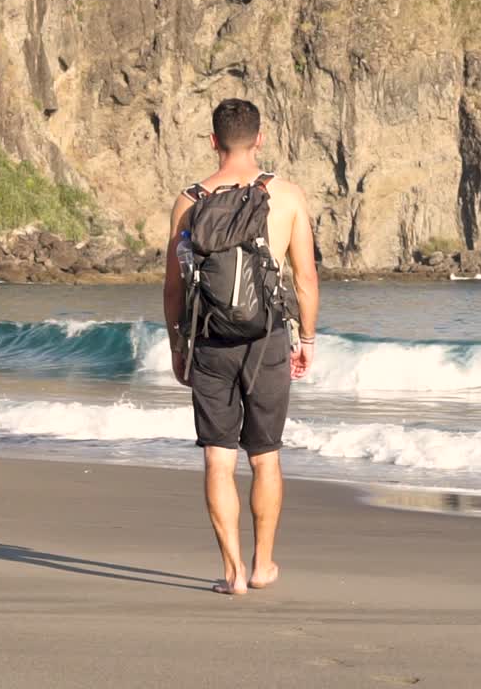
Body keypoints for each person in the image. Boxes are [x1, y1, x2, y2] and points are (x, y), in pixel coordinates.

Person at [162, 98, 320, 596]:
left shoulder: (189, 201)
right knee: (265, 457)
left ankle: (231, 573)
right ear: (261, 138)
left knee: (217, 460)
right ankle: (262, 564)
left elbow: (172, 286)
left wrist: (177, 345)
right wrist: (308, 338)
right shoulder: (287, 196)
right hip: (267, 338)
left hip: (210, 340)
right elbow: (307, 278)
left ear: (213, 140)